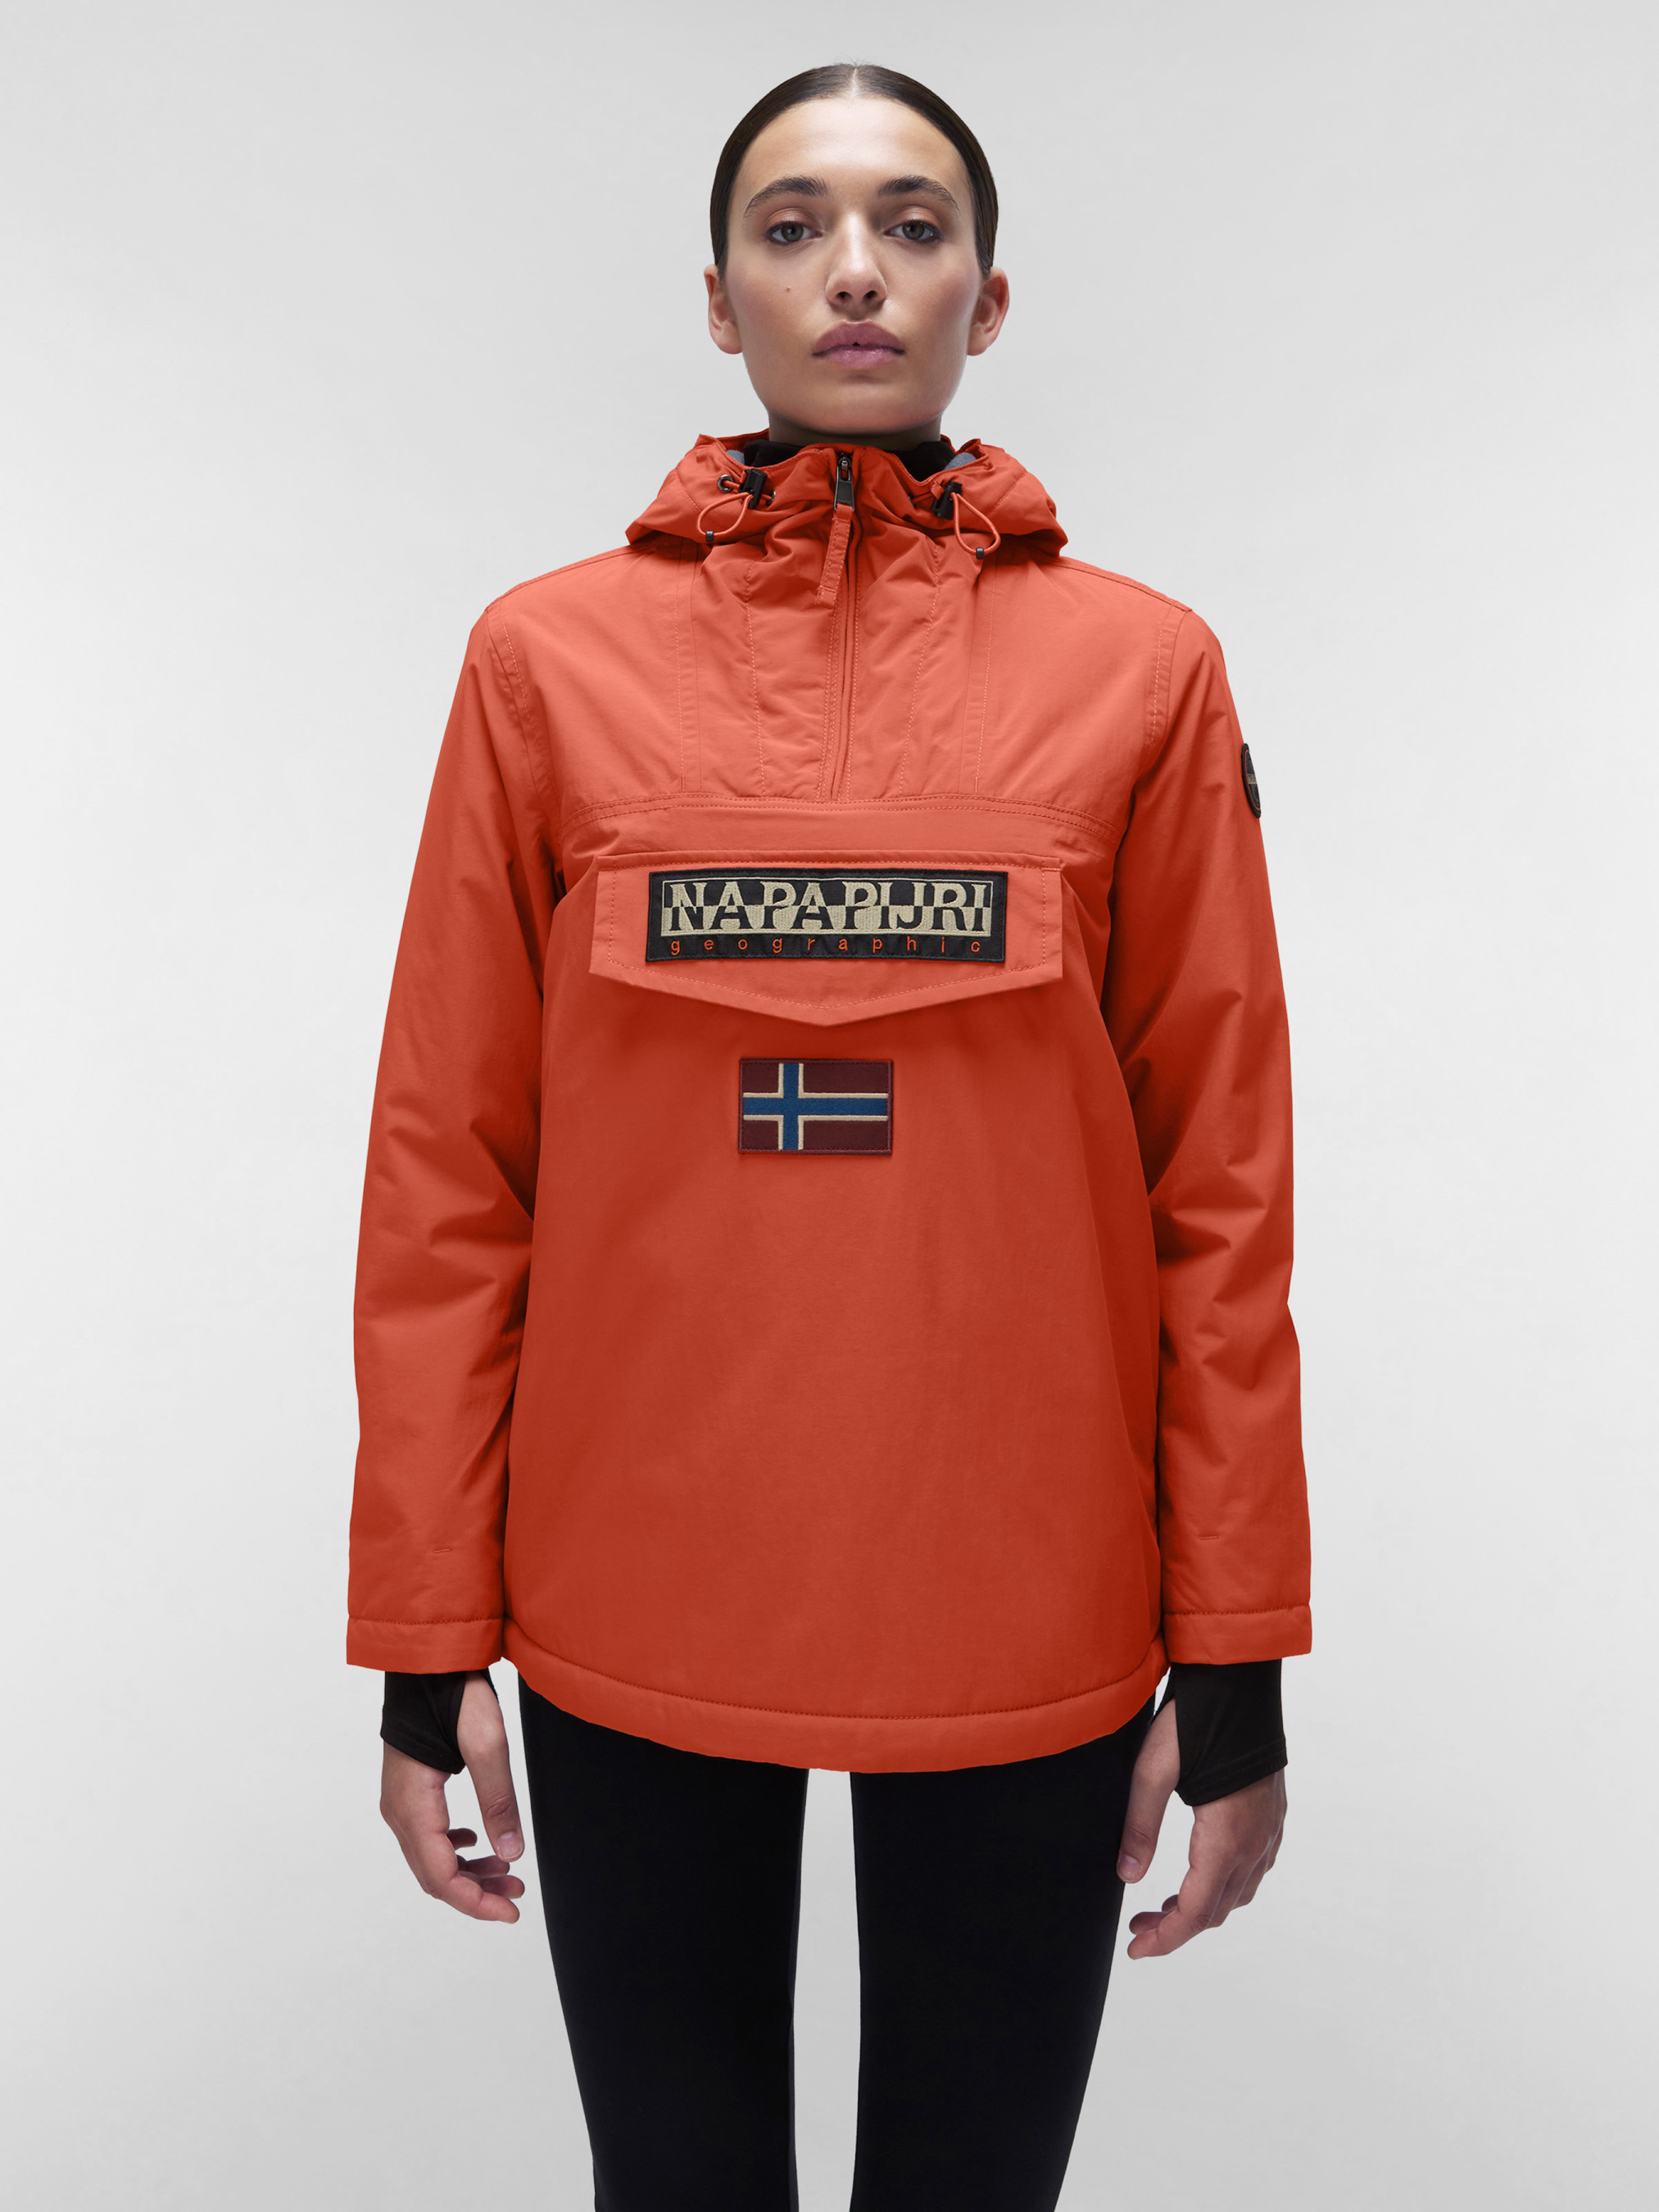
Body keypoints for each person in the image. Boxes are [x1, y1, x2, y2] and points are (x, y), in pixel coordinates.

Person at [348, 61, 1310, 2212]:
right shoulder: (543, 664)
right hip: (625, 1591)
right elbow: (448, 1179)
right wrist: (424, 1632)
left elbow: (1219, 1199)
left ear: (990, 295)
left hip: (1033, 1601)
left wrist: (1233, 1648)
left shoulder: (1146, 675)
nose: (853, 270)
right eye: (791, 229)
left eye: (911, 225)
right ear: (717, 299)